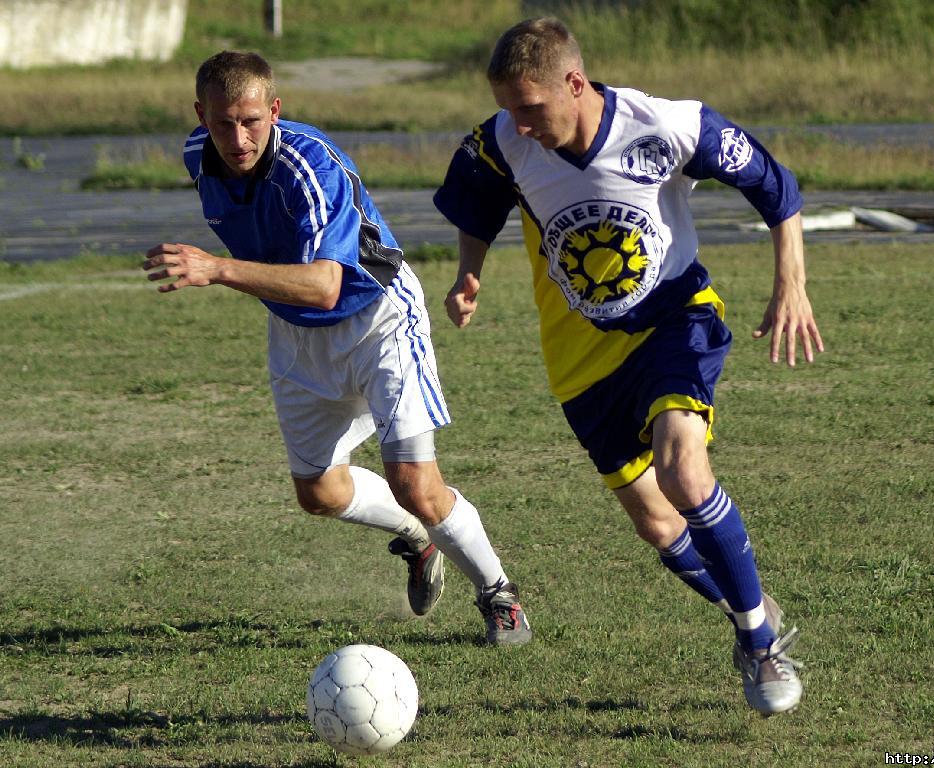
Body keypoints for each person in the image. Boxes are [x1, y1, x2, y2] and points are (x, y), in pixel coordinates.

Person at [434, 18, 823, 712]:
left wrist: (790, 283)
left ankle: (762, 645)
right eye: (509, 109)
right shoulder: (504, 140)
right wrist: (470, 271)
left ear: (574, 83)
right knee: (656, 523)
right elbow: (477, 200)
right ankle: (745, 607)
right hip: (581, 357)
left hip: (675, 320)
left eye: (531, 107)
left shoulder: (668, 126)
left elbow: (775, 186)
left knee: (682, 469)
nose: (519, 124)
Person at [142, 50, 531, 646]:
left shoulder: (309, 164)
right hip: (296, 333)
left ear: (275, 110)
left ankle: (498, 593)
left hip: (377, 317)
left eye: (251, 121)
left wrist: (216, 268)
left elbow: (325, 286)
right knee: (320, 494)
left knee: (416, 482)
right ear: (201, 116)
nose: (238, 138)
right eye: (223, 123)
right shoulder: (198, 154)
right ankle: (417, 537)